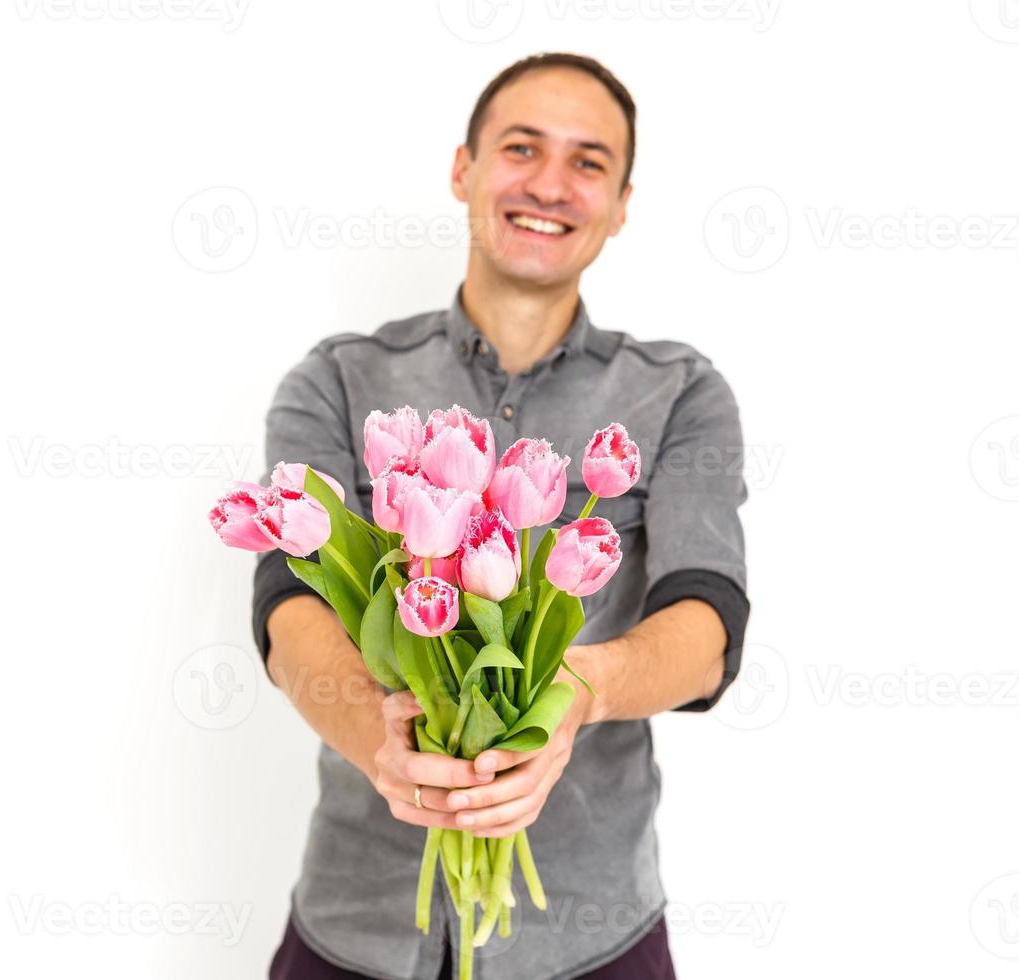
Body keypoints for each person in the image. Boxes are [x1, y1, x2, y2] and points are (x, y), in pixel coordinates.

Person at [252, 53, 751, 980]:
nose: (551, 185)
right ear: (463, 169)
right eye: (522, 148)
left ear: (622, 203)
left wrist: (574, 692)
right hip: (355, 920)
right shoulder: (337, 380)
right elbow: (287, 604)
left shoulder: (678, 394)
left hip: (590, 933)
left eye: (589, 161)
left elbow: (709, 625)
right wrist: (379, 738)